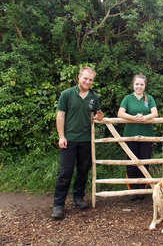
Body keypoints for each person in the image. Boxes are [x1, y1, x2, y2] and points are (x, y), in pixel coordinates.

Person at [52, 66, 104, 219]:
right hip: (69, 139)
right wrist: (61, 136)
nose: (88, 82)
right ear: (79, 77)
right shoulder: (67, 94)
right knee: (65, 172)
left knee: (83, 170)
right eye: (85, 78)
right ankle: (58, 205)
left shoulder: (94, 97)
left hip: (86, 140)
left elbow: (95, 116)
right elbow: (60, 116)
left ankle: (78, 198)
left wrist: (99, 118)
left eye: (90, 80)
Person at [117, 73, 158, 201]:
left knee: (144, 162)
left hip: (147, 136)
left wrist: (144, 118)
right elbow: (120, 113)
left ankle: (142, 189)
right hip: (130, 136)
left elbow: (155, 113)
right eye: (137, 84)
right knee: (131, 163)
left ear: (144, 85)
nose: (139, 86)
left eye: (141, 84)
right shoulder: (127, 98)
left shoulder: (149, 98)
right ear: (133, 85)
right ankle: (132, 189)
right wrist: (134, 118)